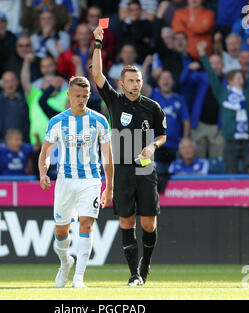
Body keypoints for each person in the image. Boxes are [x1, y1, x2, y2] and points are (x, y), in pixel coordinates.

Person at [92, 26, 167, 286]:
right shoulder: (114, 101)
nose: (135, 84)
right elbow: (97, 74)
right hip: (122, 169)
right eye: (130, 81)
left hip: (145, 169)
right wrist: (98, 44)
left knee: (148, 224)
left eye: (138, 80)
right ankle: (134, 274)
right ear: (122, 84)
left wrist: (153, 147)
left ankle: (145, 265)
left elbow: (162, 135)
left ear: (142, 83)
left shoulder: (153, 107)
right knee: (126, 221)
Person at [38, 76, 114, 288]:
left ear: (89, 96)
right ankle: (65, 263)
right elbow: (45, 153)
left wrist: (109, 187)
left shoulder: (99, 121)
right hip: (65, 181)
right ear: (68, 95)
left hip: (90, 180)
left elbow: (108, 158)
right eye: (77, 96)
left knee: (86, 224)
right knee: (61, 231)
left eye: (85, 96)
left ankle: (79, 278)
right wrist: (43, 173)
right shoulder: (57, 122)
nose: (81, 100)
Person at [199, 38, 249, 173]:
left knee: (247, 170)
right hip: (229, 140)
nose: (241, 80)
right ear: (230, 81)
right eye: (238, 78)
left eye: (242, 78)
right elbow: (212, 75)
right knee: (231, 171)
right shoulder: (222, 93)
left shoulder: (247, 92)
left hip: (247, 140)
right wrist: (203, 54)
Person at [142, 69, 191, 174]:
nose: (166, 80)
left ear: (173, 82)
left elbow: (186, 121)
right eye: (163, 78)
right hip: (156, 145)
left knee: (174, 174)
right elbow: (139, 82)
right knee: (157, 173)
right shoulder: (153, 95)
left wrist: (185, 139)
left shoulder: (179, 100)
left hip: (175, 145)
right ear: (158, 82)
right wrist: (147, 64)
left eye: (168, 78)